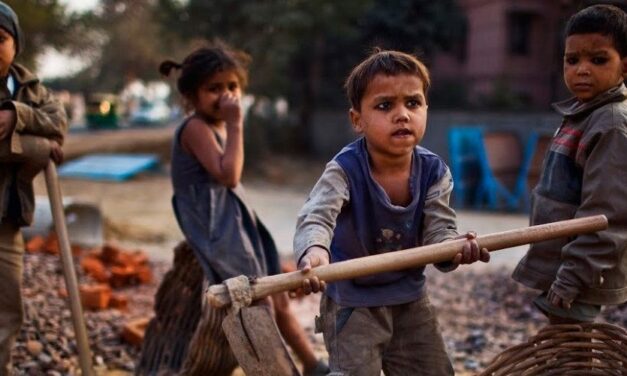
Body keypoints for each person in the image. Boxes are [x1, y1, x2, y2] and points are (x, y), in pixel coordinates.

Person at [293, 49, 490, 375]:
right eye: (385, 106)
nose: (402, 115)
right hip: (352, 305)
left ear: (426, 109)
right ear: (358, 120)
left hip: (410, 301)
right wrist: (314, 251)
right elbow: (317, 215)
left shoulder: (434, 171)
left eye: (412, 103)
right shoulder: (344, 170)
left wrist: (455, 249)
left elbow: (439, 232)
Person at [145, 43, 327, 375]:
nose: (226, 96)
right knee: (257, 304)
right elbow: (229, 175)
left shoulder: (215, 127)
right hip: (219, 233)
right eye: (214, 88)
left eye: (232, 86)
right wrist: (236, 125)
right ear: (191, 96)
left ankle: (314, 365)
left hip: (237, 227)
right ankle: (279, 370)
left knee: (279, 297)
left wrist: (230, 126)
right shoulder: (195, 128)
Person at [512, 4, 627, 325]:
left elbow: (608, 216)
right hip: (565, 265)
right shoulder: (584, 113)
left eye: (598, 59)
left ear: (625, 67)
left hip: (583, 274)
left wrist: (572, 276)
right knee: (565, 347)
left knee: (573, 350)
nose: (582, 69)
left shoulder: (612, 125)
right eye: (572, 60)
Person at [0, 1, 67, 373]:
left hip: (7, 221)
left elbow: (58, 123)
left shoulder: (31, 89)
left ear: (15, 45)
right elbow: (48, 142)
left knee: (7, 311)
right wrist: (38, 147)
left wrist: (16, 115)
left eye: (0, 38)